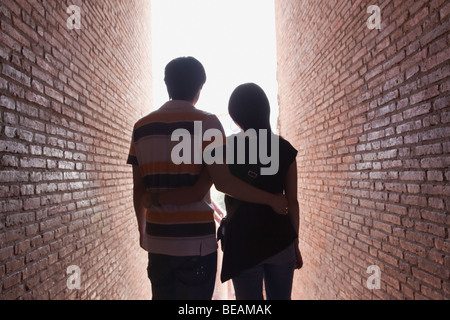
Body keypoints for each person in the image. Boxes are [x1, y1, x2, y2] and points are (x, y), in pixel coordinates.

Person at [127, 57, 287, 300]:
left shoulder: (141, 127)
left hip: (157, 242)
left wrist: (143, 231)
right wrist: (271, 199)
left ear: (166, 84)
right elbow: (224, 182)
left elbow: (138, 190)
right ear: (199, 88)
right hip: (196, 244)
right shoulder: (207, 123)